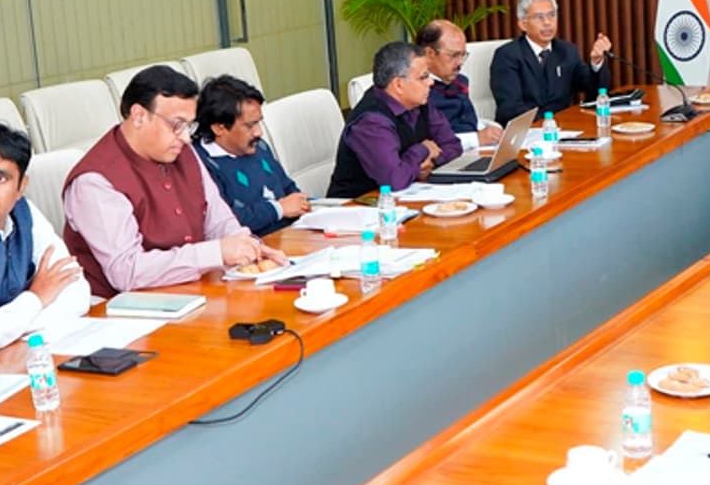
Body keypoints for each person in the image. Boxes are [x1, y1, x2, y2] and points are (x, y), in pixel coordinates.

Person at [63, 65, 285, 298]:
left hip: (192, 294)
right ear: (139, 116)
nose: (186, 137)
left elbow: (218, 221)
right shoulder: (95, 181)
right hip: (122, 311)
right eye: (177, 125)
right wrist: (216, 253)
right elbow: (127, 272)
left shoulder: (182, 152)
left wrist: (248, 245)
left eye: (189, 126)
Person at [0, 123, 89, 361]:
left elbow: (77, 293)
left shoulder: (24, 212)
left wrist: (0, 328)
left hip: (15, 359)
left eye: (0, 178)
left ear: (21, 187)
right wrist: (37, 297)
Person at [327, 41, 462, 196]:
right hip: (357, 208)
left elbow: (453, 146)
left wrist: (429, 163)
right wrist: (423, 149)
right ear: (398, 84)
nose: (431, 82)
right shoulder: (371, 121)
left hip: (405, 198)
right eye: (423, 77)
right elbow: (394, 180)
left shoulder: (418, 102)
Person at [192, 75, 309, 236]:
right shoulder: (200, 164)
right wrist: (279, 209)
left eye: (259, 122)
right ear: (219, 128)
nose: (259, 132)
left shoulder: (257, 145)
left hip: (292, 236)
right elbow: (225, 222)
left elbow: (289, 189)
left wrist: (302, 204)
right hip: (253, 249)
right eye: (250, 125)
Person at [489, 0, 612, 126]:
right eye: (538, 17)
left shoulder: (567, 50)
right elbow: (511, 108)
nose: (547, 22)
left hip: (564, 129)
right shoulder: (507, 55)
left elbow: (594, 92)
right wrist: (552, 122)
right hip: (526, 132)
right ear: (522, 24)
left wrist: (596, 62)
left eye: (551, 15)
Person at [415, 19, 503, 149]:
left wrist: (491, 128)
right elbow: (429, 142)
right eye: (454, 55)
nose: (460, 62)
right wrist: (476, 139)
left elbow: (470, 120)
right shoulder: (416, 91)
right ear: (429, 54)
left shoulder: (460, 81)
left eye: (463, 55)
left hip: (477, 152)